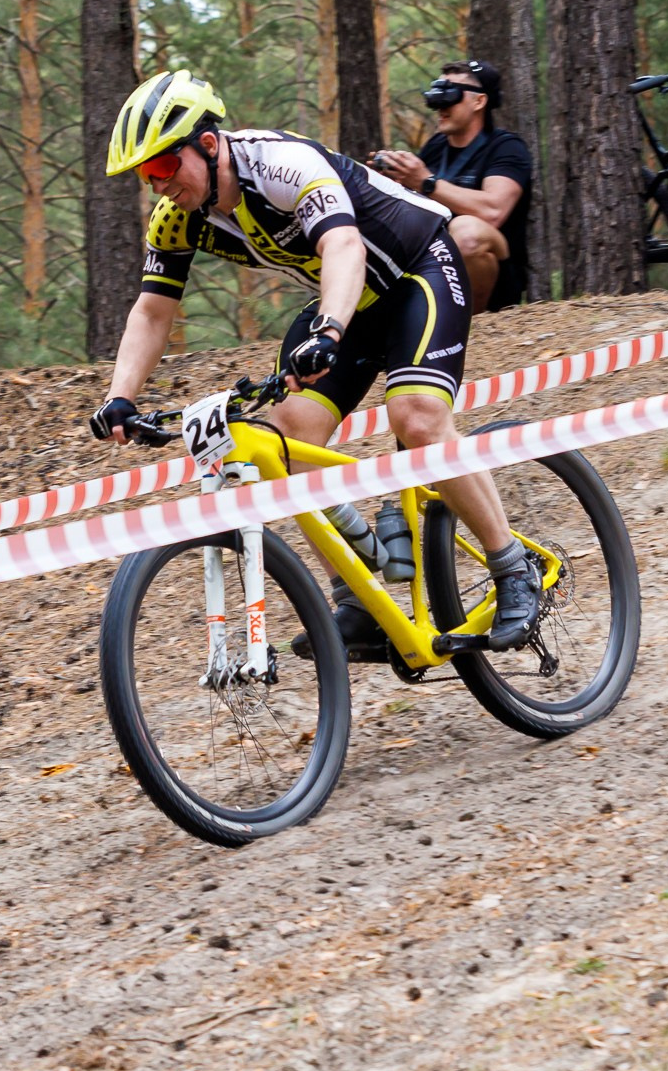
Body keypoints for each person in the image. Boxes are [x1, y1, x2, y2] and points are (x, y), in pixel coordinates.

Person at [85, 70, 543, 656]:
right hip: (348, 303)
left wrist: (329, 328)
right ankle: (358, 600)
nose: (158, 187)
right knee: (282, 441)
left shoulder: (278, 164)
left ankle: (513, 569)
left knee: (418, 419)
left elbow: (342, 246)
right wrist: (119, 396)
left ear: (205, 144)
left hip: (416, 273)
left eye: (162, 168)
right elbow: (152, 312)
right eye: (146, 177)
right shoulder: (177, 218)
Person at [373, 59, 532, 310]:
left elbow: (493, 211)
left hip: (493, 277)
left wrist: (426, 183)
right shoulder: (436, 147)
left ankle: (471, 324)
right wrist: (392, 181)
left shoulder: (507, 148)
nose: (440, 107)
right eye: (438, 93)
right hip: (434, 266)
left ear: (479, 101)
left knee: (466, 231)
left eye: (451, 95)